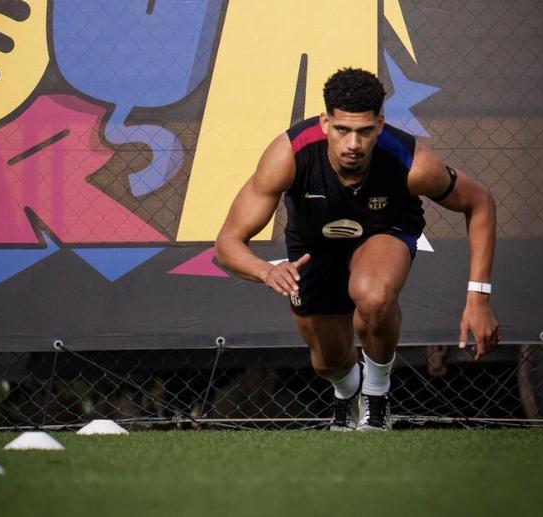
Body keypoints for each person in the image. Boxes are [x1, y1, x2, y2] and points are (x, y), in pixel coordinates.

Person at [214, 68, 500, 431]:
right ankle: (348, 392)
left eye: (364, 131)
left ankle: (377, 396)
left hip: (383, 232)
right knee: (327, 362)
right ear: (324, 122)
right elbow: (227, 244)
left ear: (380, 124)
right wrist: (267, 271)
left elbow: (480, 202)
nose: (353, 144)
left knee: (373, 295)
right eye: (342, 130)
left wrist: (478, 297)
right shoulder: (288, 155)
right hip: (313, 246)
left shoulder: (412, 163)